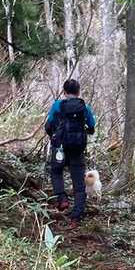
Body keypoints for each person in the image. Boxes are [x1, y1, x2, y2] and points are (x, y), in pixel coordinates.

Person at [45, 78, 96, 220]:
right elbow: (92, 127)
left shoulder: (57, 105)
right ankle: (77, 214)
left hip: (60, 147)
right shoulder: (84, 107)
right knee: (79, 181)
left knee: (56, 171)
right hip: (77, 148)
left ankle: (62, 199)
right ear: (78, 92)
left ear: (64, 92)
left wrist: (54, 135)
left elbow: (48, 125)